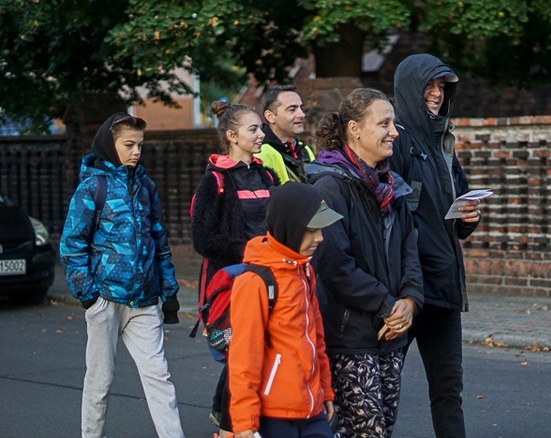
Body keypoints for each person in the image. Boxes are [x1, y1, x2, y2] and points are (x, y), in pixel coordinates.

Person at [306, 88, 424, 438]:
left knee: (381, 428)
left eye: (394, 123)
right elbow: (333, 265)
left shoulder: (392, 186)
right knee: (367, 431)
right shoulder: (329, 186)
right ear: (355, 129)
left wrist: (409, 301)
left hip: (391, 332)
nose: (394, 131)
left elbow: (409, 249)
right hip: (350, 334)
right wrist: (388, 305)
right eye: (384, 123)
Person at [60, 113, 184, 438]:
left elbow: (159, 240)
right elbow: (72, 243)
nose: (136, 152)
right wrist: (89, 295)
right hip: (105, 299)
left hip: (144, 301)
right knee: (99, 381)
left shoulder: (145, 185)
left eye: (139, 145)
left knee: (159, 376)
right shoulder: (93, 187)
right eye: (129, 145)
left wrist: (168, 292)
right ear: (109, 144)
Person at [389, 53, 480, 438]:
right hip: (405, 291)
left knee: (448, 391)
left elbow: (451, 209)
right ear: (411, 88)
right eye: (429, 85)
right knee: (378, 389)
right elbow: (391, 216)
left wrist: (467, 219)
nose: (436, 93)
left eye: (442, 86)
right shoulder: (394, 141)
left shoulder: (443, 141)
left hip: (442, 286)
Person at [227, 182, 342, 438]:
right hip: (274, 416)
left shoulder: (305, 270)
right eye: (311, 231)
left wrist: (325, 391)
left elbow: (316, 340)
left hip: (313, 410)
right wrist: (244, 422)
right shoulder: (255, 280)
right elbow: (243, 356)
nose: (320, 238)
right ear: (290, 227)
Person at [191, 101, 279, 429]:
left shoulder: (266, 174)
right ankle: (232, 425)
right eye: (253, 129)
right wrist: (250, 251)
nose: (261, 135)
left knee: (260, 354)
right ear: (232, 135)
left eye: (261, 128)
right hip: (235, 285)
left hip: (271, 280)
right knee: (243, 358)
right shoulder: (215, 181)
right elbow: (203, 240)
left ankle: (235, 416)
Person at [256, 85, 315, 184]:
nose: (302, 114)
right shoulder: (259, 151)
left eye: (301, 108)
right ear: (270, 116)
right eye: (292, 110)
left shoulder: (305, 150)